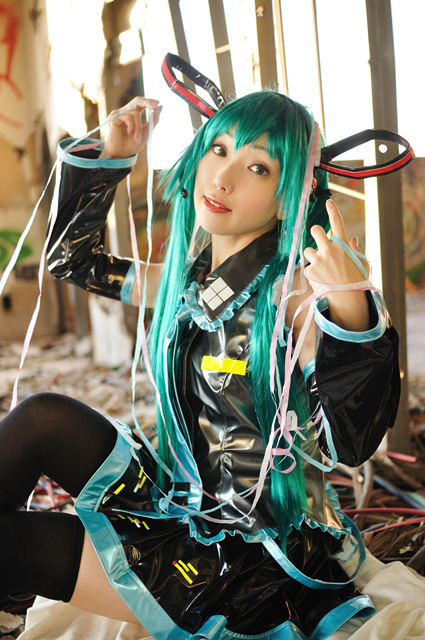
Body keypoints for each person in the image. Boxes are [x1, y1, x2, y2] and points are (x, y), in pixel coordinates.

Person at [0, 88, 401, 640]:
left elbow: (347, 445)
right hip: (176, 502)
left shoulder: (293, 297)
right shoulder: (185, 284)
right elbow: (73, 260)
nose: (223, 177)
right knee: (43, 417)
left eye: (258, 167)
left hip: (245, 563)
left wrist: (353, 315)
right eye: (218, 149)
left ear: (291, 197)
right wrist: (110, 157)